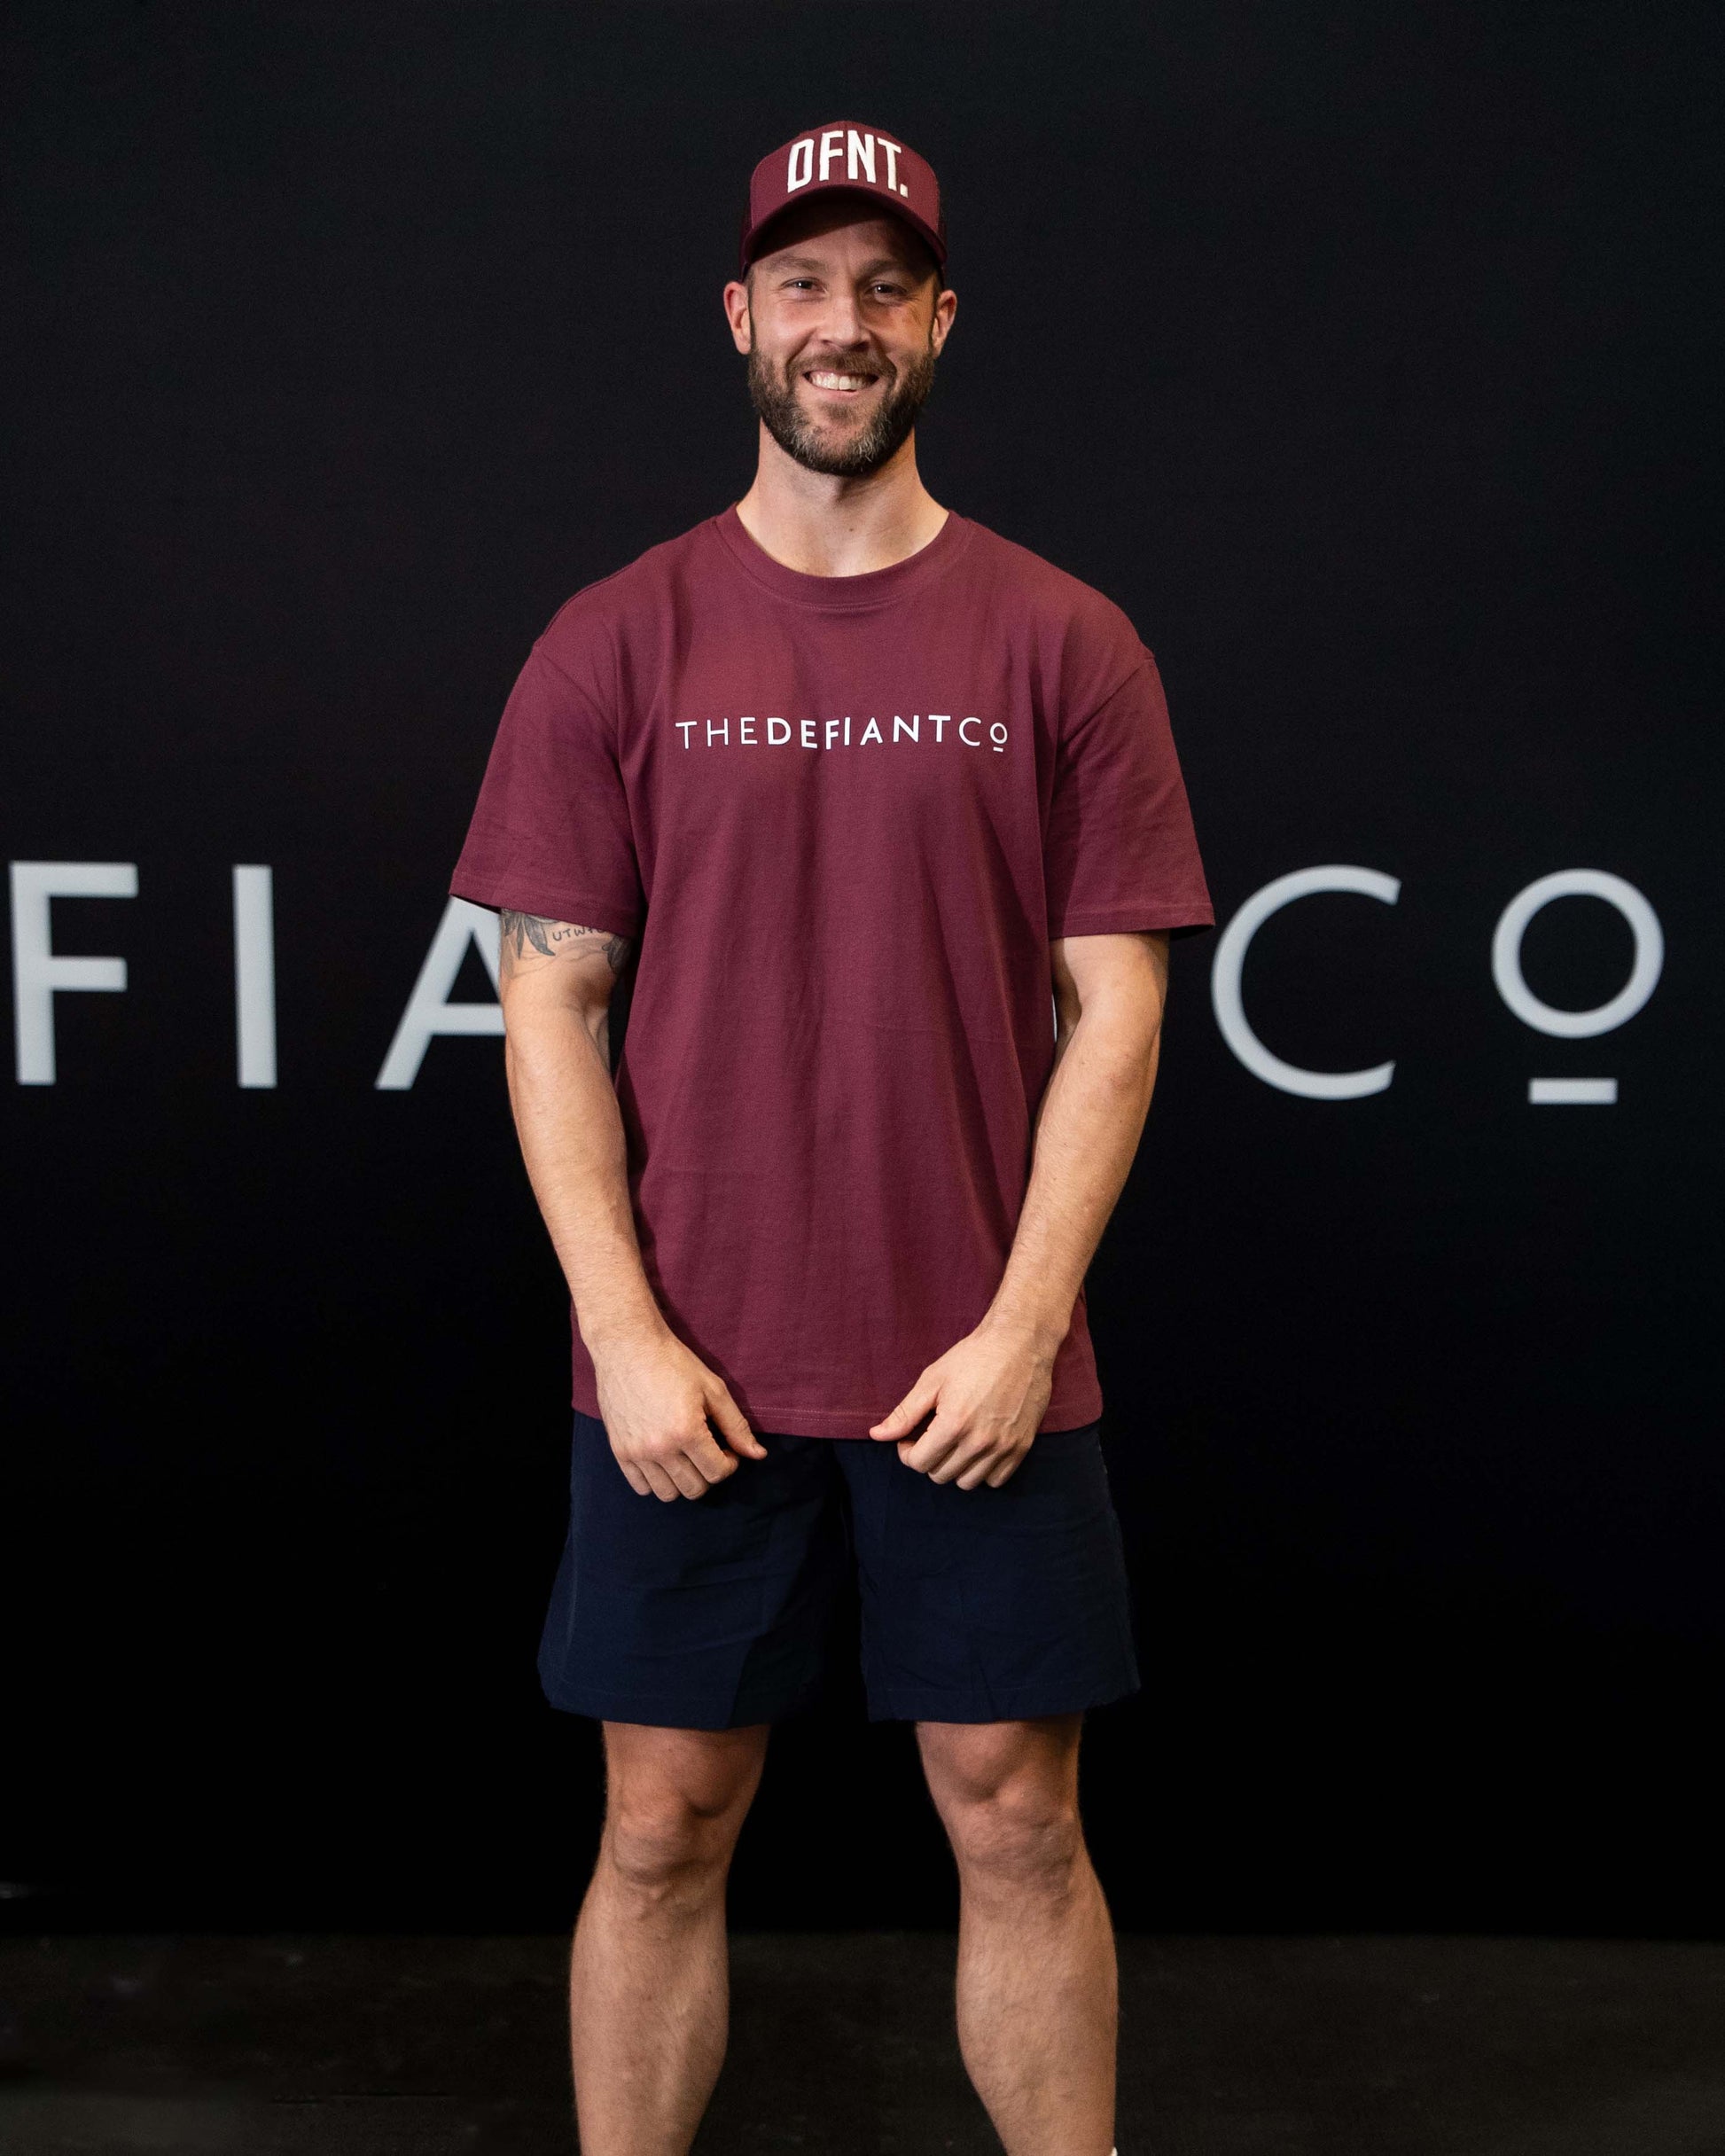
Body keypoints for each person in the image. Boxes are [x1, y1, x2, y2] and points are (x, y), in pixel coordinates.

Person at [450, 119, 1213, 2156]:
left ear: (939, 322)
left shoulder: (1064, 640)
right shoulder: (614, 638)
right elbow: (550, 1005)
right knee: (659, 1823)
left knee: (1019, 1818)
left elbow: (1119, 1012)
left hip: (976, 1369)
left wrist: (1016, 1324)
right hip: (685, 1368)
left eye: (884, 286)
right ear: (740, 319)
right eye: (803, 285)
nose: (841, 326)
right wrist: (622, 1335)